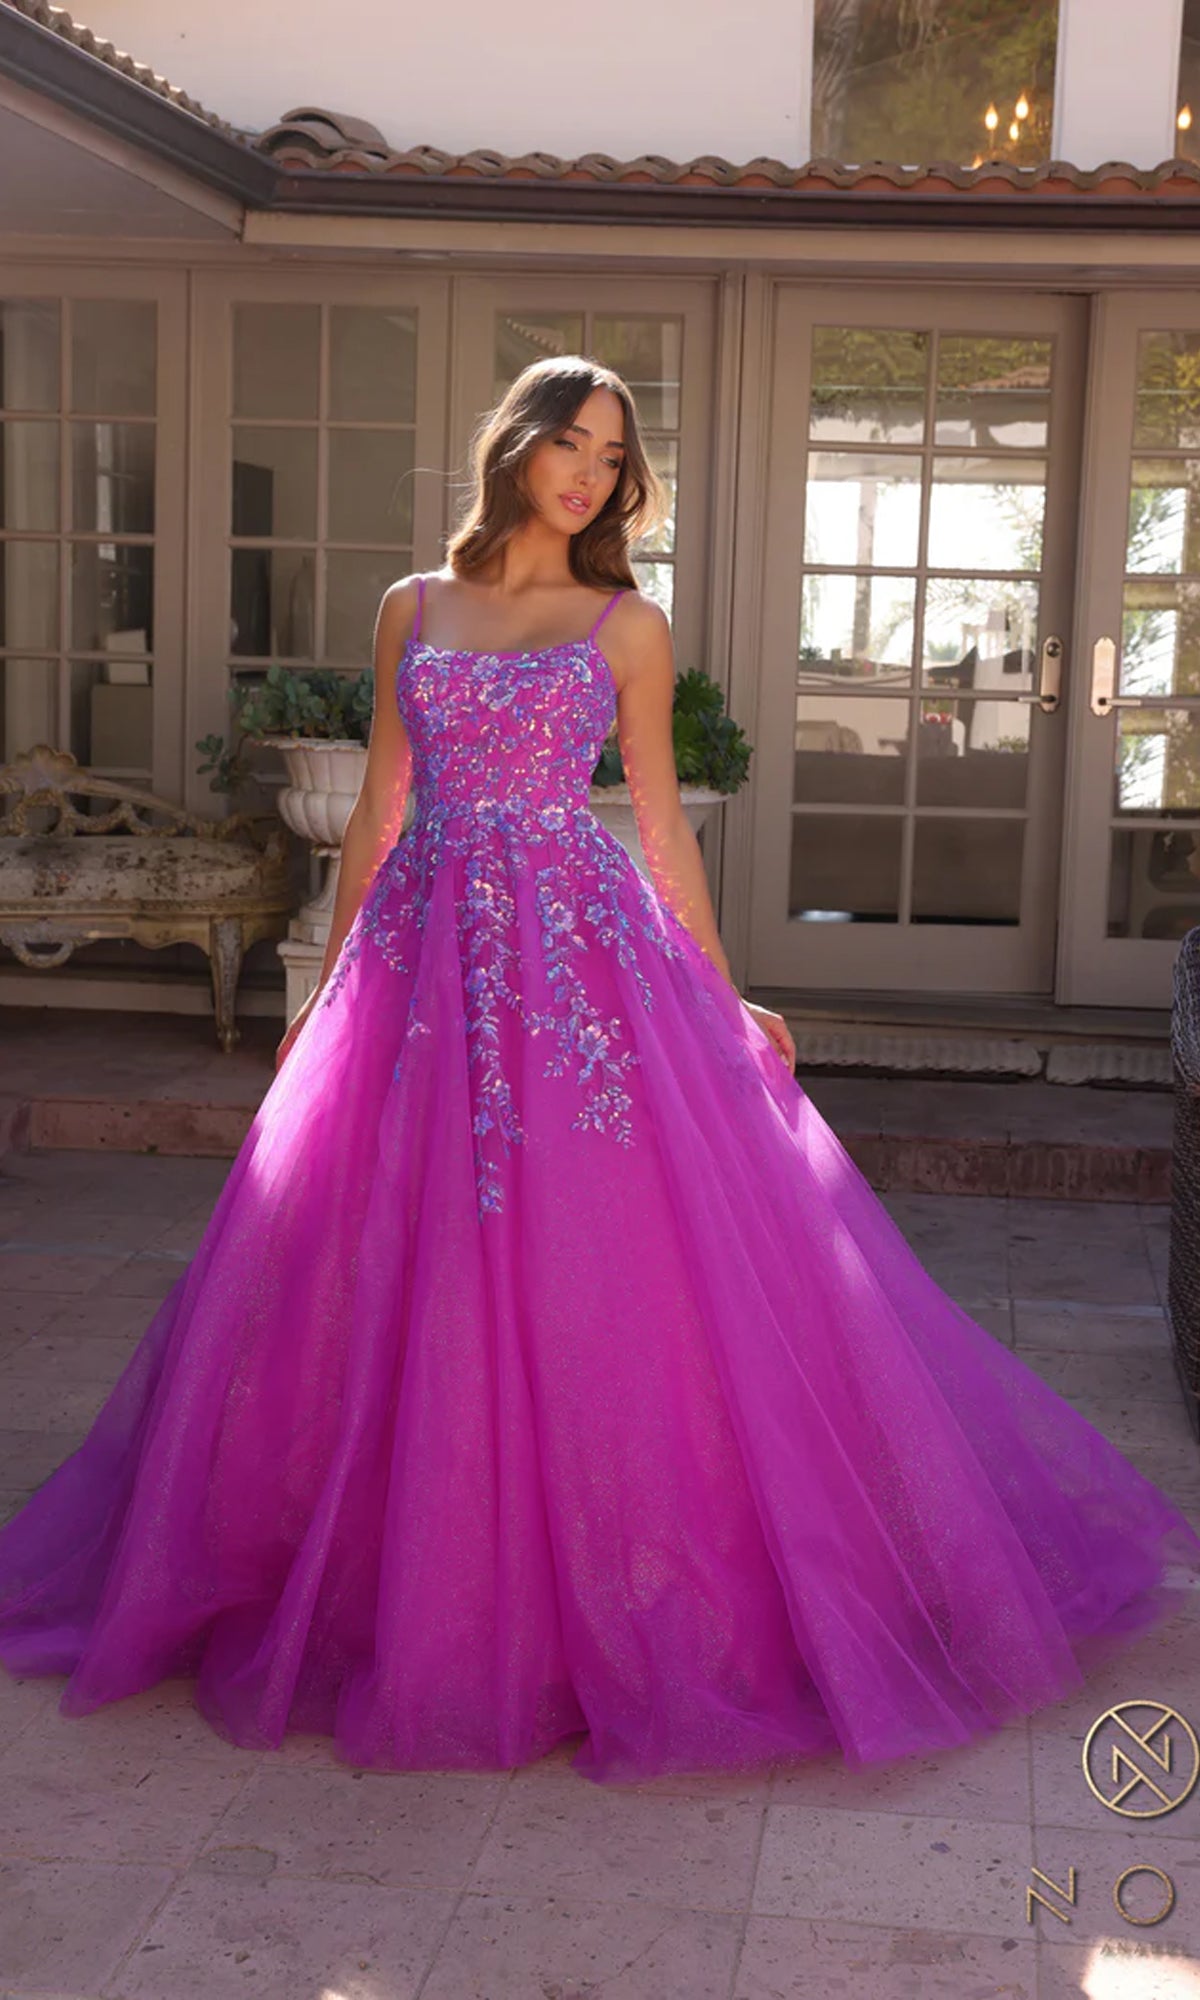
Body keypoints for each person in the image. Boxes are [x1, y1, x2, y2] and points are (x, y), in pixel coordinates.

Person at [0, 355, 1197, 1789]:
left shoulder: (629, 625)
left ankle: (618, 1598)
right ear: (515, 444)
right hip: (419, 966)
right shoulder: (411, 608)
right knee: (388, 1250)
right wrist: (320, 1004)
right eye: (570, 440)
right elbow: (383, 798)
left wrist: (721, 988)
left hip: (578, 965)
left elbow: (659, 825)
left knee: (601, 1256)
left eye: (613, 456)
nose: (589, 472)